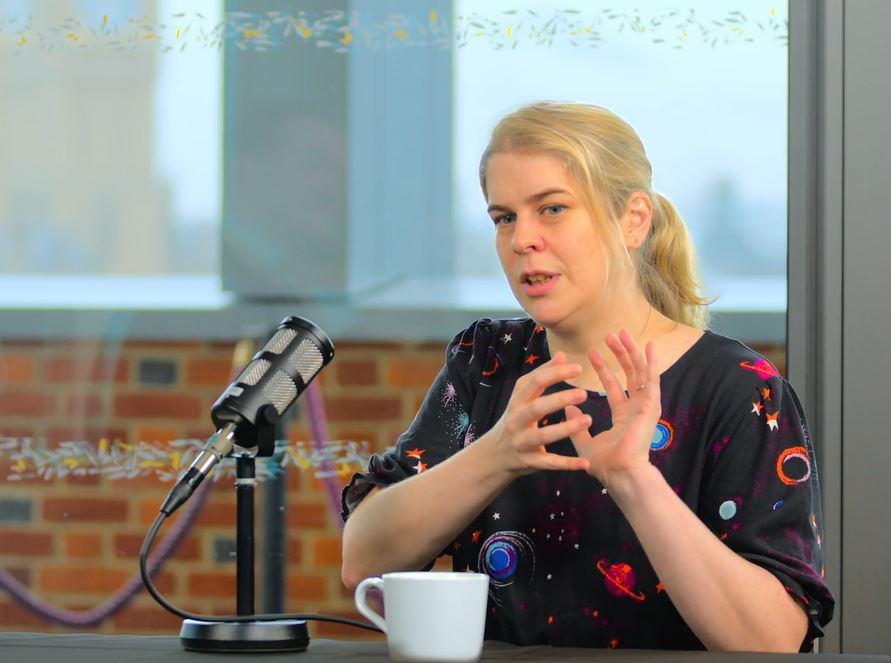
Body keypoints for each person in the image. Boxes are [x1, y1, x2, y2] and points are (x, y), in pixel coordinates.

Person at [340, 101, 834, 651]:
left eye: (551, 209)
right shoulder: (486, 361)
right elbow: (363, 561)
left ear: (634, 219)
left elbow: (772, 640)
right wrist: (495, 453)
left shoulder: (739, 388)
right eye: (504, 217)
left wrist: (634, 479)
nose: (521, 238)